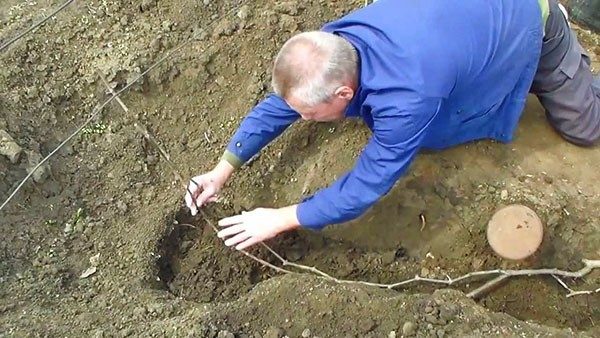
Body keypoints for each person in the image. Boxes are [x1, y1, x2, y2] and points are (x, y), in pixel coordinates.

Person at [185, 0, 600, 250]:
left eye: (310, 114)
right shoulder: (333, 48)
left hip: (527, 18)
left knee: (585, 128)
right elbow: (280, 107)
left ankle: (559, 31)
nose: (302, 118)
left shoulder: (409, 95)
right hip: (461, 21)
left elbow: (368, 182)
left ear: (343, 95)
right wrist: (223, 169)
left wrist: (281, 218)